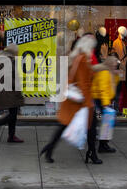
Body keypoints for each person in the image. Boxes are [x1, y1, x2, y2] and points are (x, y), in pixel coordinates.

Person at [40, 34, 100, 164]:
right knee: (91, 128)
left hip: (73, 99)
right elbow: (83, 82)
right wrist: (88, 102)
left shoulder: (76, 57)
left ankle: (49, 148)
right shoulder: (84, 59)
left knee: (64, 126)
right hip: (80, 100)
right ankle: (92, 154)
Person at [0, 44, 25, 143]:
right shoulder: (7, 60)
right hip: (10, 91)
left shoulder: (7, 59)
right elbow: (8, 77)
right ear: (14, 51)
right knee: (12, 115)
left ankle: (11, 136)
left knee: (13, 114)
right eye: (17, 51)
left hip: (9, 91)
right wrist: (17, 85)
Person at [90, 55, 120, 156]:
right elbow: (103, 89)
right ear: (111, 63)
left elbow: (111, 85)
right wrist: (106, 103)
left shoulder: (109, 72)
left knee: (107, 122)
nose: (117, 64)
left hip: (103, 99)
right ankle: (102, 144)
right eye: (115, 62)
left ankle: (103, 143)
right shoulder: (104, 73)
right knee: (107, 122)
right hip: (100, 99)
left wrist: (115, 75)